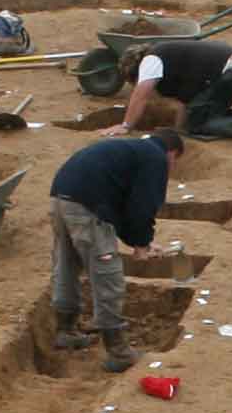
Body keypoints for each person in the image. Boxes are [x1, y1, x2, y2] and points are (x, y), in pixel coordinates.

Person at [48, 129, 182, 374]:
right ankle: (119, 352)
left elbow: (118, 208)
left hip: (60, 197)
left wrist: (140, 241)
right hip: (86, 204)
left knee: (66, 265)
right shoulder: (156, 158)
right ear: (172, 153)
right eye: (174, 162)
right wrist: (141, 245)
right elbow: (143, 205)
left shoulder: (131, 151)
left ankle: (65, 330)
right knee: (107, 276)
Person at [117, 34, 232, 138]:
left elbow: (141, 95)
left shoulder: (151, 60)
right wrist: (178, 131)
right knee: (202, 113)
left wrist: (126, 126)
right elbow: (185, 106)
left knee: (197, 126)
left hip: (230, 73)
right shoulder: (171, 65)